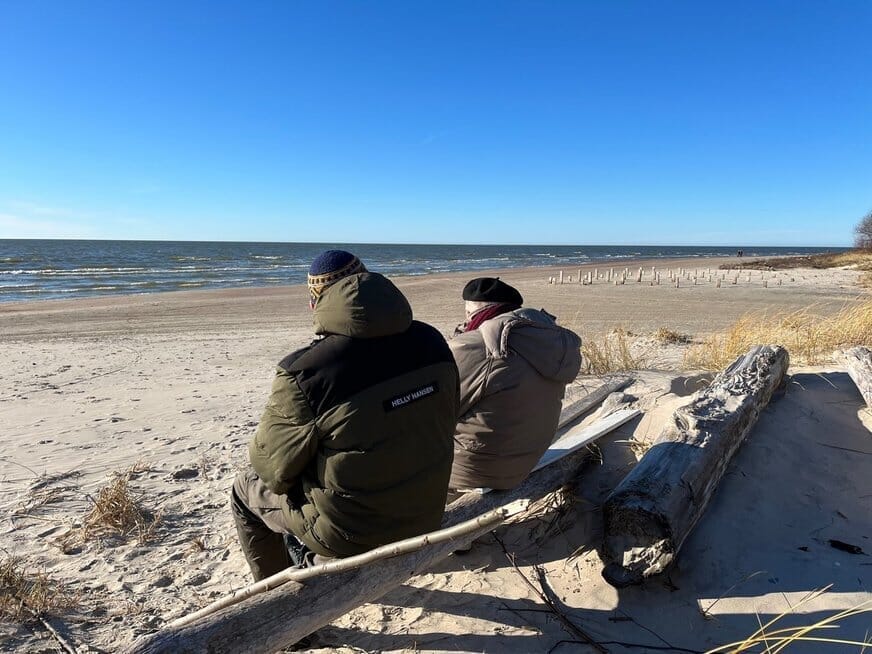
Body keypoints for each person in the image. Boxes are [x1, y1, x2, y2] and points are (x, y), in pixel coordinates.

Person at [232, 250, 459, 581]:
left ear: (316, 303)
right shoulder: (432, 341)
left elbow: (273, 471)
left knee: (244, 490)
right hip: (427, 512)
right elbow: (447, 417)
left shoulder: (306, 373)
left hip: (350, 535)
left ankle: (274, 592)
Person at [448, 277, 582, 491]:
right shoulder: (548, 342)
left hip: (477, 469)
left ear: (474, 312)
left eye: (468, 313)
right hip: (527, 460)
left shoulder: (477, 348)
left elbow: (439, 409)